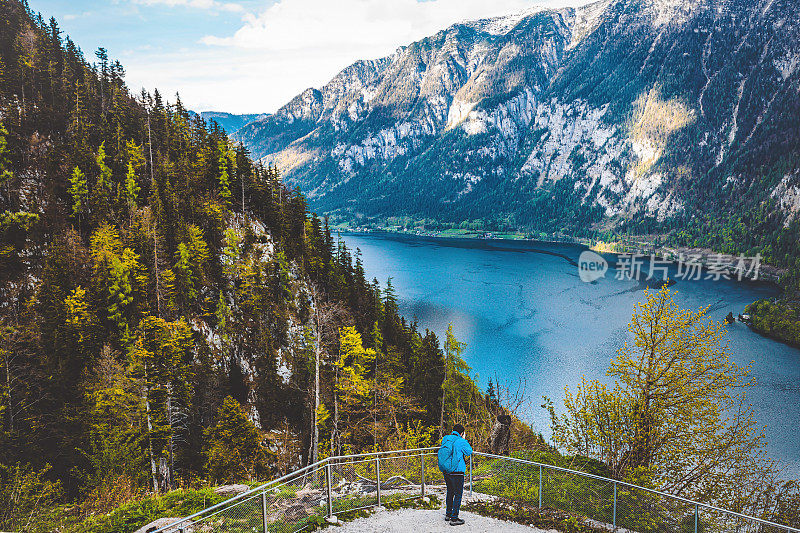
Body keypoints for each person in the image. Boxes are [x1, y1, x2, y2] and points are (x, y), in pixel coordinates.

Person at [437, 423, 473, 526]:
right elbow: (468, 452)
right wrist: (464, 439)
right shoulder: (461, 441)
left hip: (446, 470)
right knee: (458, 494)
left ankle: (448, 514)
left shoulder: (446, 438)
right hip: (457, 472)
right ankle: (454, 518)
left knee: (450, 491)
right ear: (461, 433)